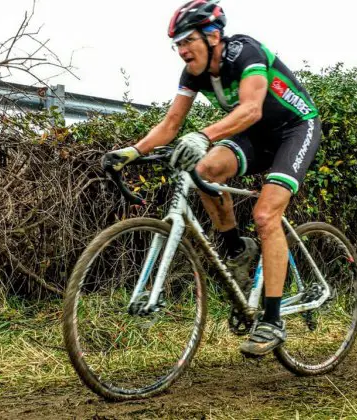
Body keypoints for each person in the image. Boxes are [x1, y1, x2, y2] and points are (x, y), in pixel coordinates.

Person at [103, 0, 321, 356]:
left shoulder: (244, 53)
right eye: (177, 44)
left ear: (213, 35)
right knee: (204, 170)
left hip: (294, 129)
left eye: (187, 40)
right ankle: (237, 249)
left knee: (266, 215)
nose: (182, 50)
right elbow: (171, 124)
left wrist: (204, 136)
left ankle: (272, 319)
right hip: (254, 136)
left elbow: (251, 108)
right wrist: (133, 152)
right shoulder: (194, 73)